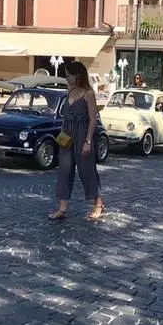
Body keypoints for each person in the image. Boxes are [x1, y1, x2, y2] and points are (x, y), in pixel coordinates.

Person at [50, 61, 105, 221]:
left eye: (69, 75)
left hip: (82, 133)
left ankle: (99, 205)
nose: (66, 78)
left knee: (86, 170)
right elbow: (65, 115)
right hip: (67, 133)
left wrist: (88, 141)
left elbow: (93, 119)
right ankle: (62, 208)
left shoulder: (88, 93)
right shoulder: (70, 91)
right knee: (64, 171)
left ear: (78, 75)